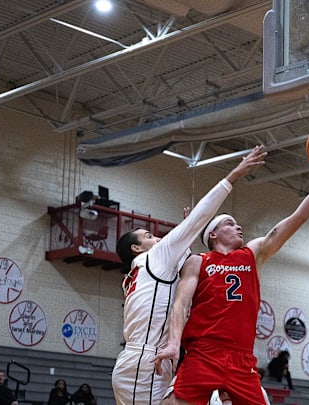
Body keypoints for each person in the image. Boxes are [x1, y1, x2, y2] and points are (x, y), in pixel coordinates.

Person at [154, 153, 309, 404]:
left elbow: (297, 218)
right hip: (204, 352)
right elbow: (181, 304)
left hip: (241, 357)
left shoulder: (253, 253)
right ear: (213, 233)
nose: (238, 227)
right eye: (231, 223)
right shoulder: (199, 261)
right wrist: (174, 343)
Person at [112, 145, 267, 405]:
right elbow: (200, 217)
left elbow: (191, 272)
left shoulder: (141, 271)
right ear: (136, 248)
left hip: (136, 359)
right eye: (149, 236)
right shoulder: (156, 256)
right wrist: (235, 174)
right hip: (147, 361)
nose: (159, 237)